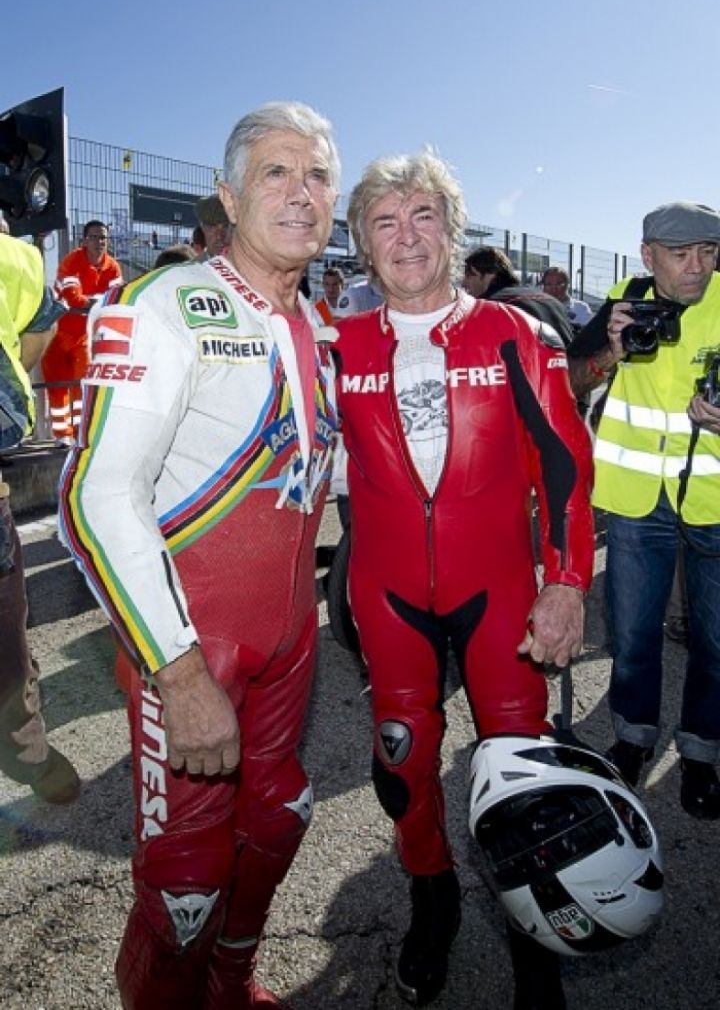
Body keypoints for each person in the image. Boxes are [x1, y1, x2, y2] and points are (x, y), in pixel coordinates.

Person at [59, 101, 340, 1009]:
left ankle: (236, 978)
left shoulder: (319, 326)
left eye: (318, 176)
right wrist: (178, 675)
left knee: (280, 819)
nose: (301, 193)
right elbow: (93, 498)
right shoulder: (164, 303)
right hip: (192, 651)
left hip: (292, 646)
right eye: (275, 172)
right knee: (184, 883)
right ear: (226, 194)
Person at [333, 151, 594, 1008]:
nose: (406, 238)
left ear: (453, 230)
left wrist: (566, 582)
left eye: (424, 218)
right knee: (401, 765)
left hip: (500, 593)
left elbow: (564, 466)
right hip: (387, 589)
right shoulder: (338, 346)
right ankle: (432, 898)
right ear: (365, 248)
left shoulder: (513, 331)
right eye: (385, 222)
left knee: (523, 777)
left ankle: (535, 940)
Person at [567, 200, 720, 820]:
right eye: (680, 256)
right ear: (648, 256)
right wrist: (608, 354)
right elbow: (572, 381)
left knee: (715, 642)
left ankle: (703, 752)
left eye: (709, 254)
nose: (697, 269)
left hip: (712, 503)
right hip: (636, 504)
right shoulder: (624, 300)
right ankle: (632, 738)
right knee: (632, 637)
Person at [0, 233, 80, 804]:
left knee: (6, 640)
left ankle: (25, 751)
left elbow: (43, 326)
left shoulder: (15, 258)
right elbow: (41, 332)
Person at [40, 221, 123, 445]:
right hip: (56, 333)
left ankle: (80, 433)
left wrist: (90, 303)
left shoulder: (112, 267)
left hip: (84, 336)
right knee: (57, 386)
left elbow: (117, 299)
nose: (100, 242)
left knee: (81, 386)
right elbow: (71, 297)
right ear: (84, 241)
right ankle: (62, 435)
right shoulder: (71, 262)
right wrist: (98, 302)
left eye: (103, 238)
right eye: (95, 237)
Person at [462, 246, 575, 345]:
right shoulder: (553, 303)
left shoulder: (489, 307)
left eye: (470, 275)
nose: (464, 283)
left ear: (490, 276)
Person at [541, 266, 593, 330]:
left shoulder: (581, 308)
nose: (554, 289)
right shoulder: (539, 308)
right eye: (548, 284)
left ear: (567, 284)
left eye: (559, 284)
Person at [195, 193, 230, 259]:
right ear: (202, 227)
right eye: (212, 227)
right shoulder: (189, 268)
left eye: (226, 227)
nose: (219, 236)